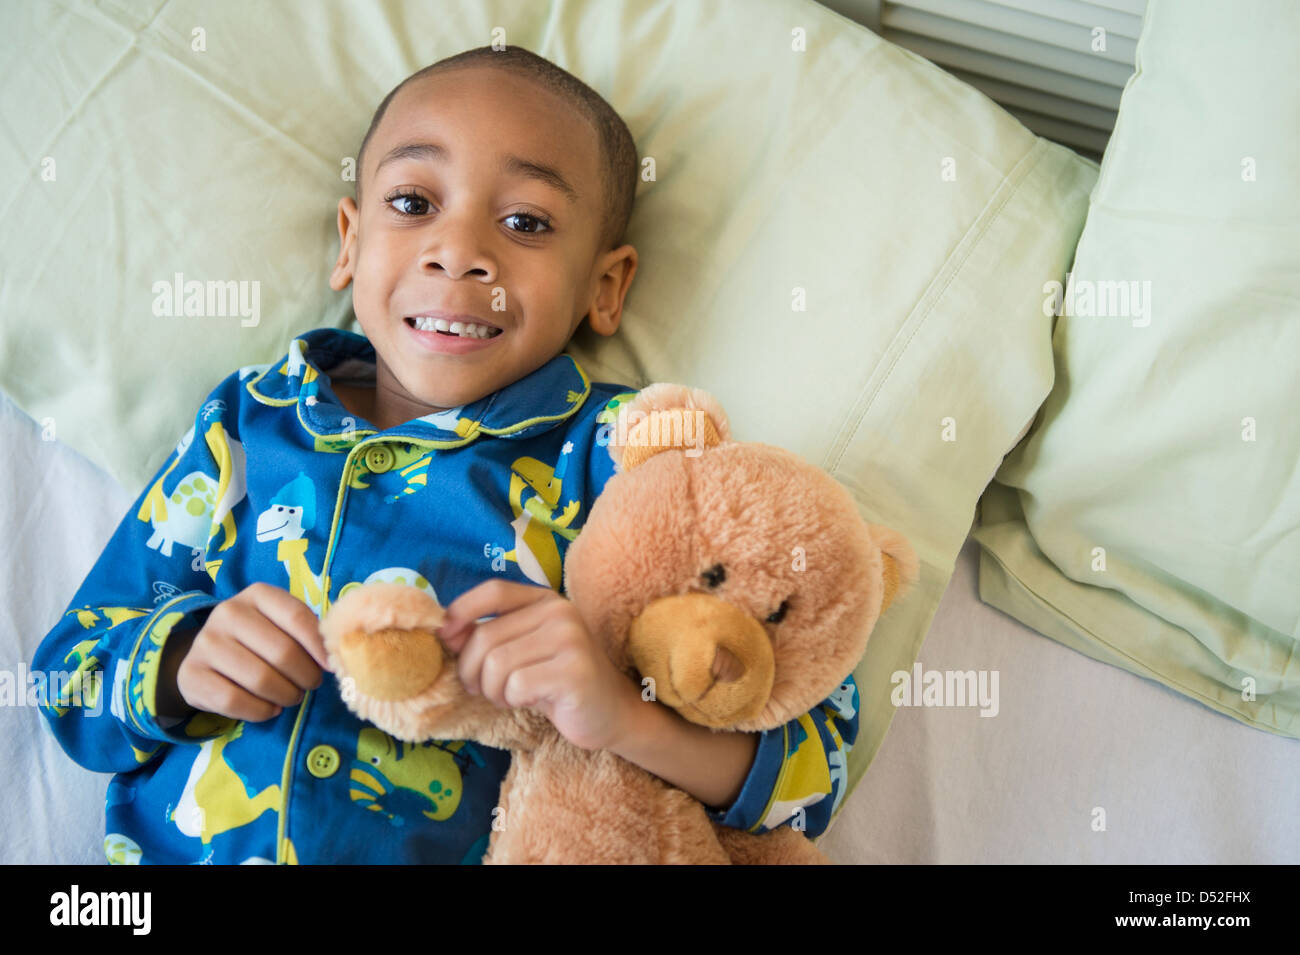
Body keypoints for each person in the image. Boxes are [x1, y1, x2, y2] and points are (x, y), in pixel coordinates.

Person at [31, 45, 858, 864]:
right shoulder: (248, 423)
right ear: (350, 242)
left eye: (526, 222)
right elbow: (66, 679)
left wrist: (624, 712)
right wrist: (178, 661)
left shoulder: (633, 459)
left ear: (605, 289)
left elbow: (809, 775)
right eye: (413, 200)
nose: (459, 251)